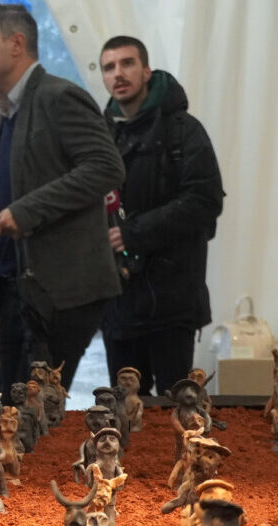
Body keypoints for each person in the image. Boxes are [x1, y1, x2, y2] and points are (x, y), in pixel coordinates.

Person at [0, 3, 124, 396]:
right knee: (17, 415)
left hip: (59, 293)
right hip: (20, 290)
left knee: (32, 421)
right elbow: (18, 191)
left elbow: (106, 167)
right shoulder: (5, 112)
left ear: (16, 44)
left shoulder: (60, 97)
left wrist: (26, 212)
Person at [97, 35, 225, 396]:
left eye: (127, 63)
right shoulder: (100, 135)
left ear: (147, 71)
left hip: (173, 298)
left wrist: (133, 232)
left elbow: (204, 200)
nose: (118, 73)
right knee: (126, 410)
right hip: (118, 300)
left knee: (176, 410)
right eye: (109, 67)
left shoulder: (184, 130)